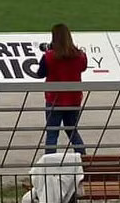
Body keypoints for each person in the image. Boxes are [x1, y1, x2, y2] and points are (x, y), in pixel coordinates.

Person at [37, 24, 88, 155]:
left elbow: (40, 74)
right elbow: (83, 68)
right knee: (72, 130)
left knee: (52, 133)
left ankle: (50, 162)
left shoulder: (49, 56)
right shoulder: (80, 55)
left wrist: (46, 54)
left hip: (55, 99)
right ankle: (83, 157)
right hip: (74, 99)